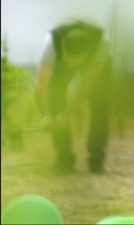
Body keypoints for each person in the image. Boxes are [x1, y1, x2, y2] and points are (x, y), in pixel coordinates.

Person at [35, 17, 113, 175]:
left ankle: (96, 162)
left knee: (100, 103)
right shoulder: (50, 44)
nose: (73, 64)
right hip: (60, 60)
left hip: (94, 63)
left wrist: (67, 115)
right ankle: (64, 159)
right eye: (69, 58)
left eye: (77, 60)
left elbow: (86, 86)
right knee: (55, 96)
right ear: (63, 45)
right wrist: (45, 115)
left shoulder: (102, 45)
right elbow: (41, 85)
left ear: (85, 54)